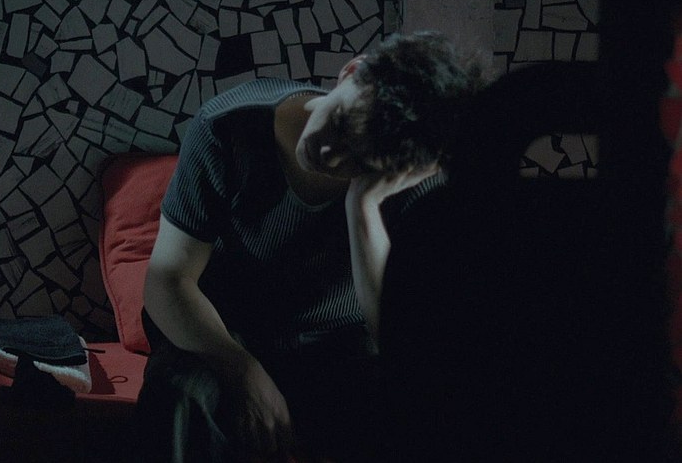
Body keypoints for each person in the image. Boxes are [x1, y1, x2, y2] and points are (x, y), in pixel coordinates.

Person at [130, 31, 481, 462]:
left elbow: (395, 341)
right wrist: (242, 370)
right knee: (183, 395)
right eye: (340, 123)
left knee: (424, 405)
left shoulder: (413, 186)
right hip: (219, 330)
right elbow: (167, 281)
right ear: (351, 71)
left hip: (336, 348)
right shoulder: (228, 127)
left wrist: (363, 206)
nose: (327, 153)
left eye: (359, 161)